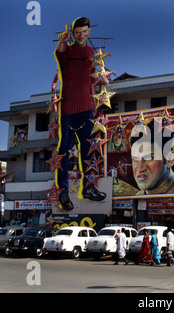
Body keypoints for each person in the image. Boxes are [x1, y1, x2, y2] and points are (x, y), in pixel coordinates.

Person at [54, 17, 106, 210]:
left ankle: (89, 187)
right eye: (78, 32)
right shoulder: (66, 50)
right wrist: (62, 40)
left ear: (88, 32)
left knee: (89, 153)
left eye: (84, 32)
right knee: (64, 154)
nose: (81, 35)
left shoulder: (91, 52)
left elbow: (95, 76)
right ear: (73, 33)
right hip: (68, 110)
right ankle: (63, 194)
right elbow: (60, 54)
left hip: (87, 110)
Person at [130, 119, 174, 195]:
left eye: (149, 158)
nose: (140, 168)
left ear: (170, 159)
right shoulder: (136, 199)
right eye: (135, 159)